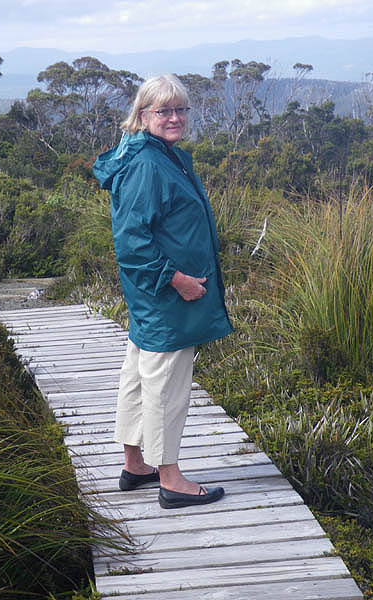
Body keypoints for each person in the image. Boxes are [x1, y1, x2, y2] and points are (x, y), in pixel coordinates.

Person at [93, 74, 233, 509]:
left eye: (180, 110)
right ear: (142, 115)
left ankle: (136, 465)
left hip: (154, 297)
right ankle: (171, 479)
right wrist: (178, 280)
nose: (174, 117)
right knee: (166, 384)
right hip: (166, 296)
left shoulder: (157, 154)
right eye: (163, 110)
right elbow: (132, 241)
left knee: (139, 373)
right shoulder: (147, 164)